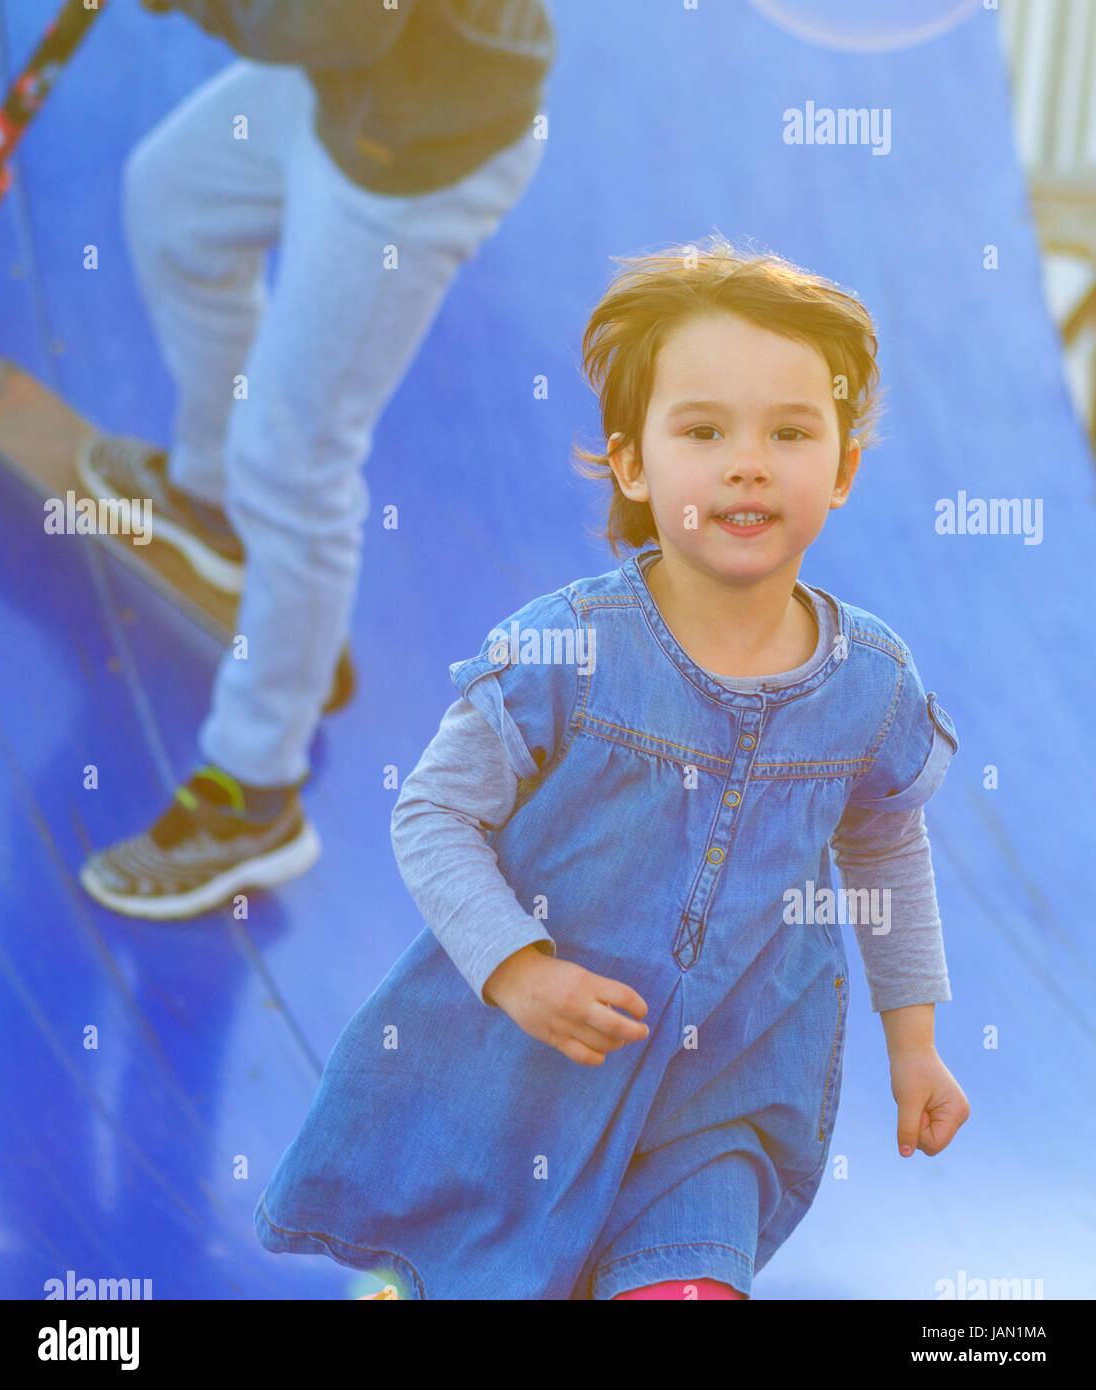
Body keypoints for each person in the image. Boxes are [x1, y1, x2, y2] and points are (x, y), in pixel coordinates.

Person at [252, 236, 972, 1300]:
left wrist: (914, 1043)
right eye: (703, 430)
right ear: (633, 462)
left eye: (789, 431)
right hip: (527, 1081)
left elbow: (884, 843)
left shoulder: (868, 684)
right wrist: (518, 968)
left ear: (843, 469)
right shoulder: (568, 649)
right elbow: (435, 815)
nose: (747, 461)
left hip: (720, 1096)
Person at [76, 0, 554, 919]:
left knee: (294, 466)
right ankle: (211, 502)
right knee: (173, 201)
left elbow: (329, 25)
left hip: (415, 154)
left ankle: (255, 791)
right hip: (345, 96)